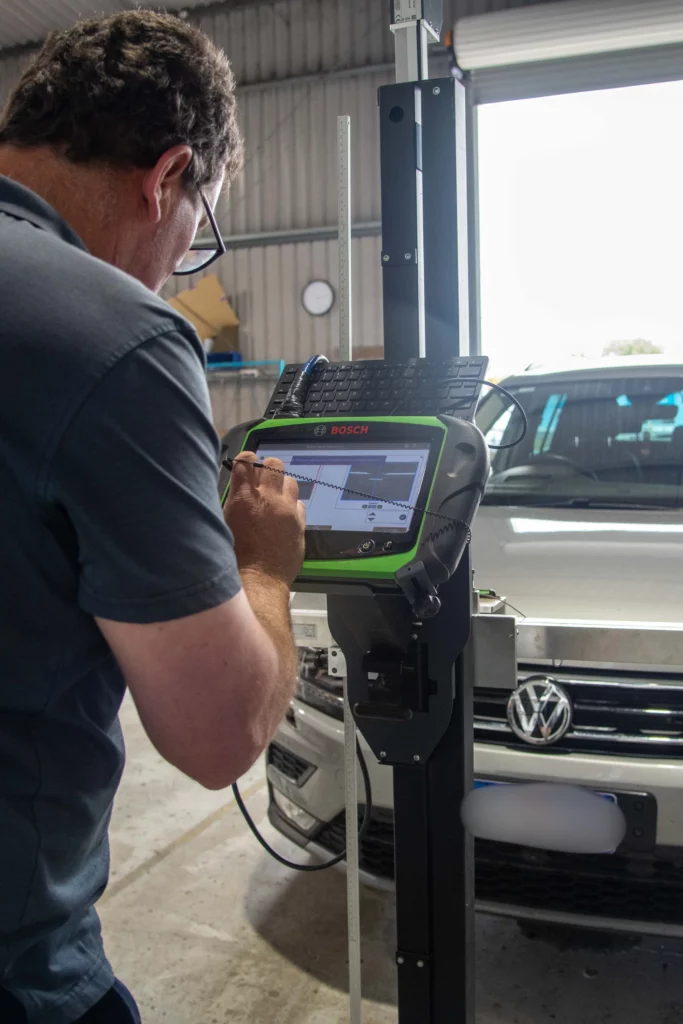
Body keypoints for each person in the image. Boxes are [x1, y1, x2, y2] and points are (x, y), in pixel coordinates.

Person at [0, 10, 305, 1023]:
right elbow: (218, 734)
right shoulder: (116, 333)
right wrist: (261, 568)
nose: (180, 264)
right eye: (195, 231)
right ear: (167, 176)